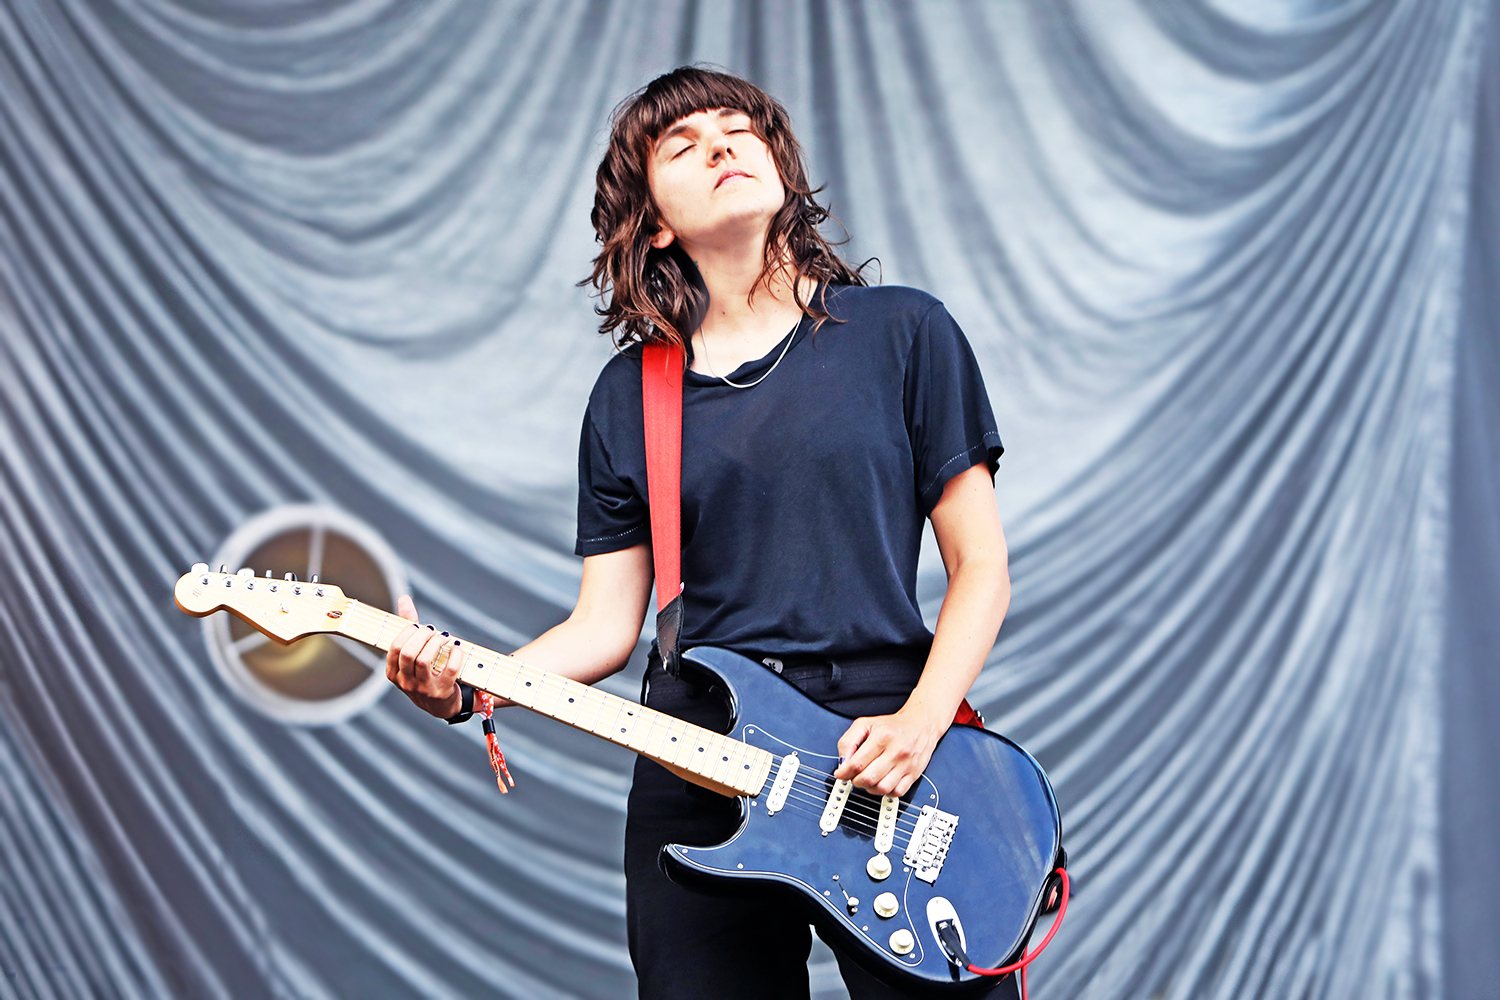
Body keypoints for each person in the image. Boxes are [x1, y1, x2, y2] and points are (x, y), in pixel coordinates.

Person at [386, 67, 1017, 1000]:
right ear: (653, 224)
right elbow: (606, 626)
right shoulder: (629, 397)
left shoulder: (904, 333)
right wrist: (466, 691)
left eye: (738, 130)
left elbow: (981, 568)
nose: (721, 145)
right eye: (683, 145)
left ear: (778, 167)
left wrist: (922, 723)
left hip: (887, 741)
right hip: (696, 750)